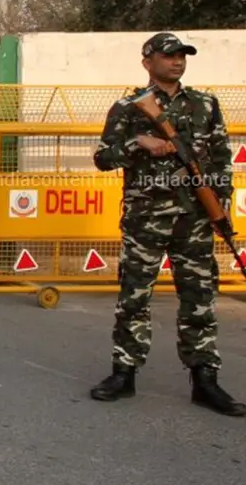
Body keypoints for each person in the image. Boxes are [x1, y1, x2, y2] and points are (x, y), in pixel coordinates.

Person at [89, 32, 246, 416]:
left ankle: (205, 379)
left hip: (193, 218)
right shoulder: (128, 107)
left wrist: (219, 207)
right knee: (134, 297)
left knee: (199, 300)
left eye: (181, 55)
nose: (177, 61)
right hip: (146, 217)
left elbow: (222, 158)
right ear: (148, 62)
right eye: (168, 55)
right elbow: (103, 157)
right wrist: (136, 143)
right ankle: (123, 372)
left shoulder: (204, 104)